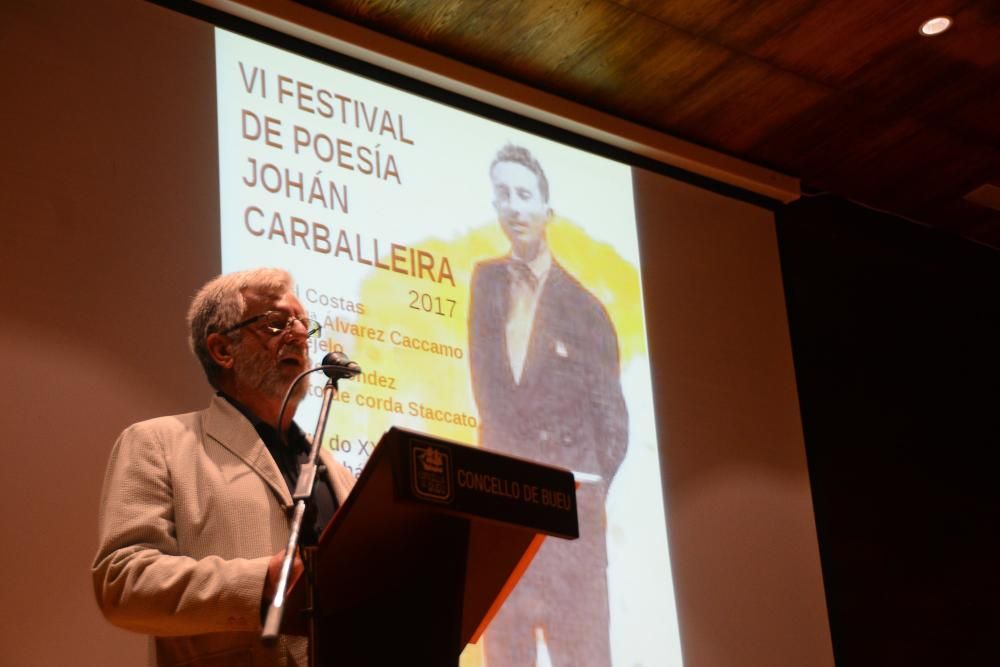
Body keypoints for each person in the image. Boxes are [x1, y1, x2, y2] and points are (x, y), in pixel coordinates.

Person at [92, 268, 356, 666]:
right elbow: (124, 582)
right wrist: (261, 584)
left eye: (303, 323)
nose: (300, 335)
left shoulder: (338, 474)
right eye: (277, 323)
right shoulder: (159, 444)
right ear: (222, 350)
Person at [468, 144, 629, 666]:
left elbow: (613, 431)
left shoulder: (585, 309)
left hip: (570, 539)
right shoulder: (485, 284)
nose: (513, 207)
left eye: (524, 195)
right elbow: (491, 402)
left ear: (546, 209)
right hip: (501, 529)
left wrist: (573, 499)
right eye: (503, 195)